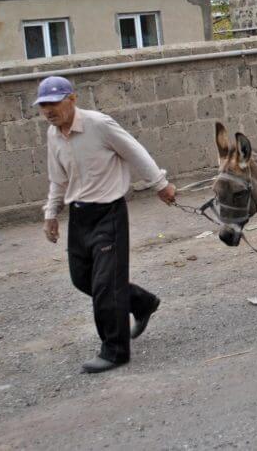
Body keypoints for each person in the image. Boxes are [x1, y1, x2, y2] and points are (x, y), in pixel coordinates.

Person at [37, 76, 177, 373]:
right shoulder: (54, 135)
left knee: (105, 286)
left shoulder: (99, 124)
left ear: (72, 99)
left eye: (54, 103)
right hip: (79, 216)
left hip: (108, 214)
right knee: (81, 278)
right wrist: (51, 213)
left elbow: (135, 151)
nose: (49, 111)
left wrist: (160, 184)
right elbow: (58, 178)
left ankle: (114, 350)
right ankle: (140, 302)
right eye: (43, 105)